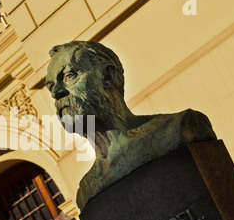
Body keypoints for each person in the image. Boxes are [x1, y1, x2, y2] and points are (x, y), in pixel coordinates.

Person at [45, 41, 217, 210]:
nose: (56, 93)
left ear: (107, 76)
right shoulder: (87, 191)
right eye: (51, 87)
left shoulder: (179, 129)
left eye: (69, 76)